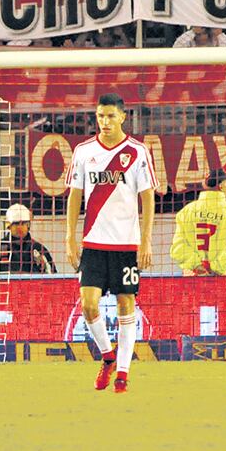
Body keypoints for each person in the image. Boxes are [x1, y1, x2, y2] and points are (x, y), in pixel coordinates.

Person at [65, 93, 158, 393]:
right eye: (100, 116)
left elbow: (148, 197)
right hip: (93, 243)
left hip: (126, 245)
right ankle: (107, 356)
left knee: (125, 304)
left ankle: (123, 373)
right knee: (89, 305)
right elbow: (75, 195)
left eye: (110, 116)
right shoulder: (83, 151)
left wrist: (146, 241)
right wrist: (69, 236)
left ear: (122, 117)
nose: (104, 122)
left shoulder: (137, 152)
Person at [170, 169, 226, 276]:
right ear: (222, 185)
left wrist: (197, 266)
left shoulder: (186, 212)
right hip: (224, 277)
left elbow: (178, 248)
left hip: (193, 277)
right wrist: (216, 267)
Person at [0, 204, 56, 274]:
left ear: (28, 225)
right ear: (9, 226)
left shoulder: (39, 249)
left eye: (23, 223)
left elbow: (53, 276)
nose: (20, 227)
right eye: (16, 224)